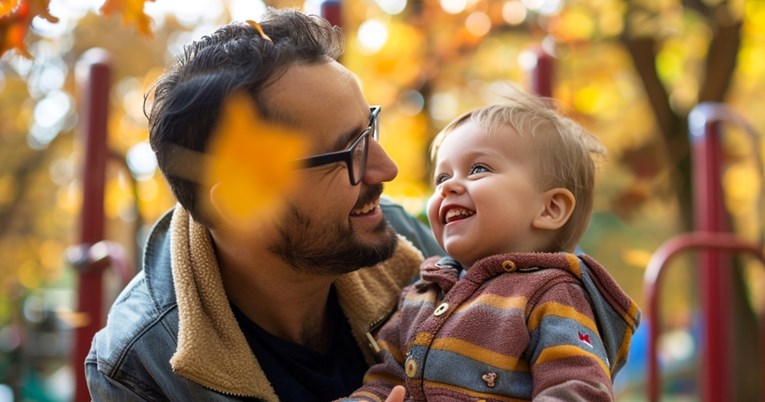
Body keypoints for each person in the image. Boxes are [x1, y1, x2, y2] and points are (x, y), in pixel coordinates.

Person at [85, 8, 443, 402]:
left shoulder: (401, 244)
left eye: (368, 130)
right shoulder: (139, 368)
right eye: (348, 151)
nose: (386, 169)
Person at [343, 89, 641, 401]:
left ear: (549, 209)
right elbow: (386, 380)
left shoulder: (553, 295)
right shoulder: (422, 293)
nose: (449, 187)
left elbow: (577, 389)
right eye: (441, 178)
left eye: (478, 169)